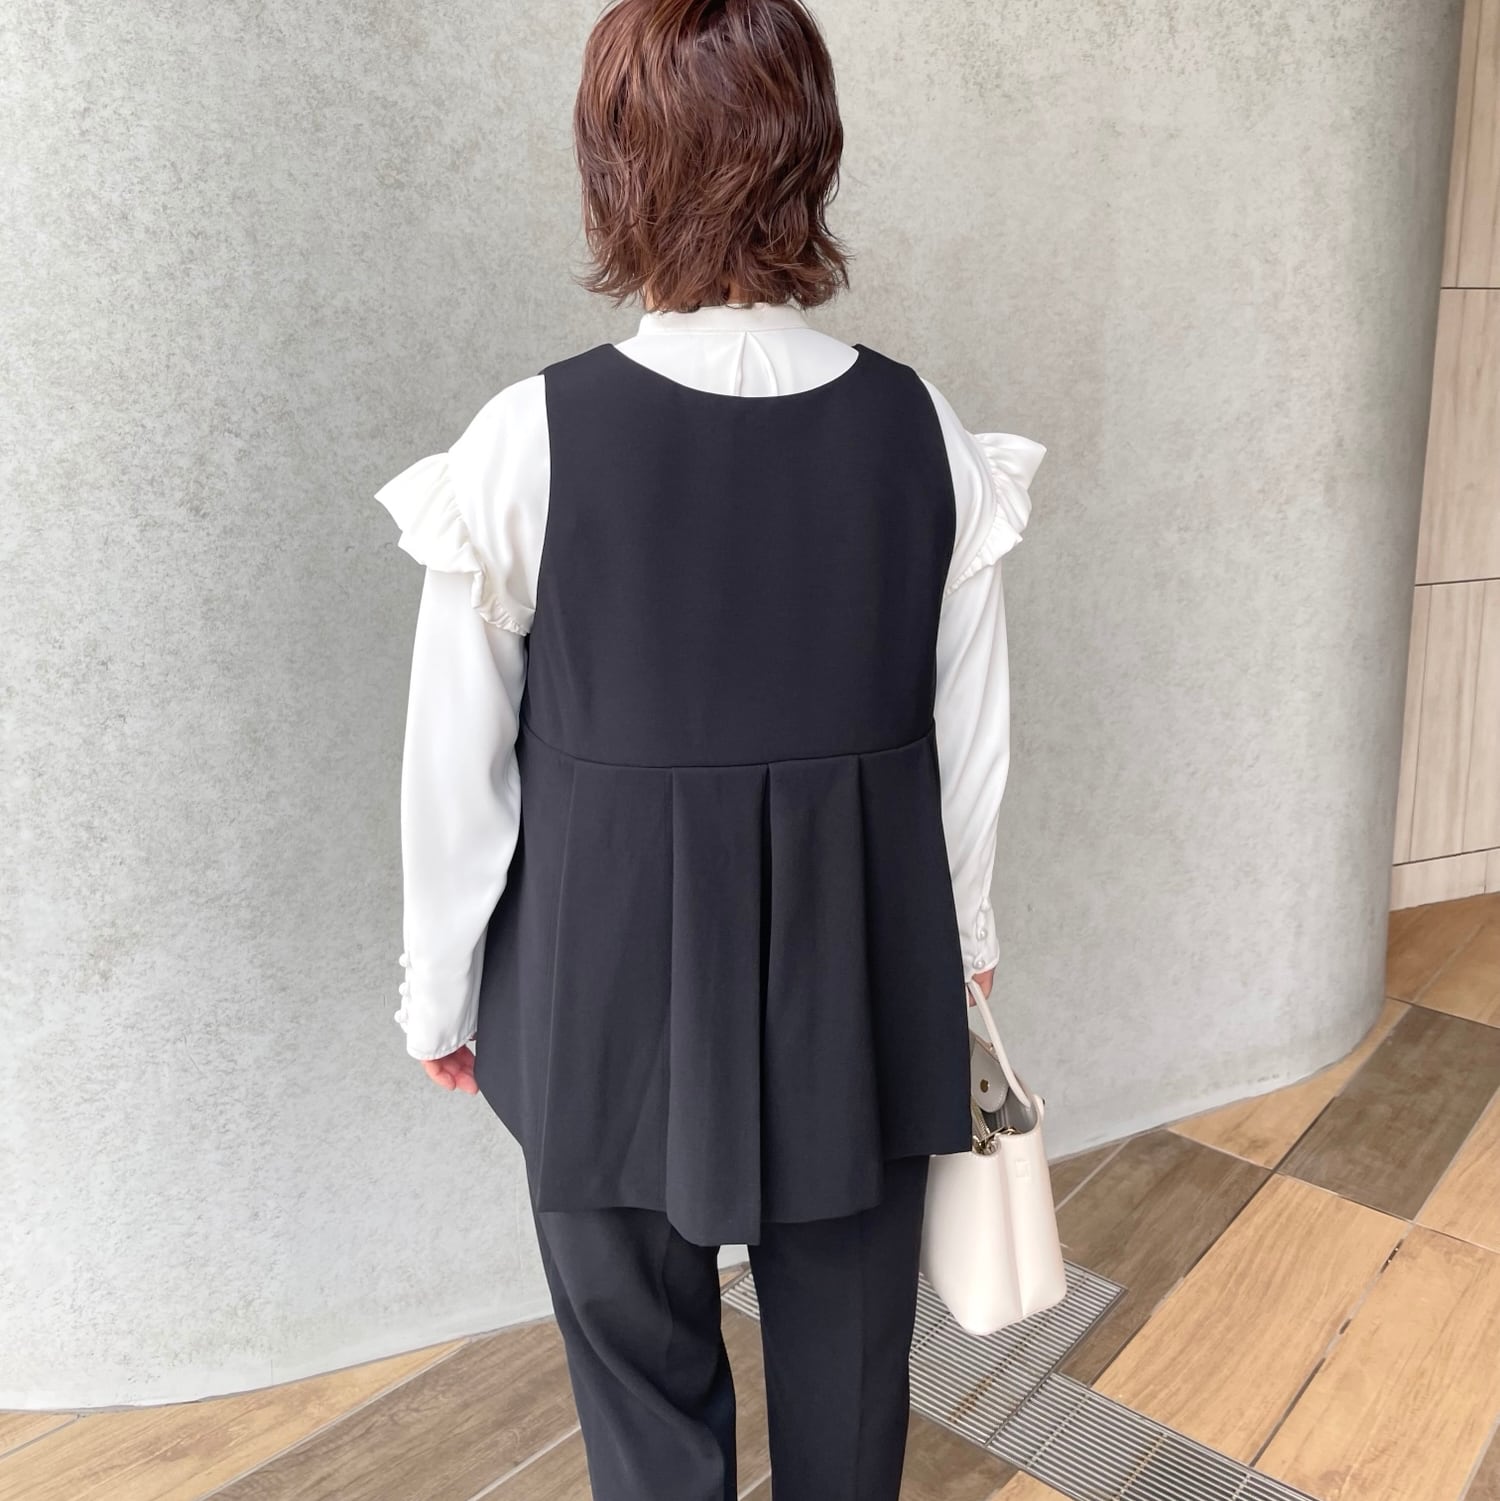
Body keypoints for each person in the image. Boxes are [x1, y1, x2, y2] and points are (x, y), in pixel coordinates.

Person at [374, 1, 1043, 1496]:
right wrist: (965, 950)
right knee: (850, 1372)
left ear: (612, 164)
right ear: (812, 154)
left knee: (638, 1382)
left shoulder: (527, 437)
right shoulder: (922, 429)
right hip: (859, 975)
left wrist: (441, 991)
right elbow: (969, 740)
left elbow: (454, 763)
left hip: (598, 984)